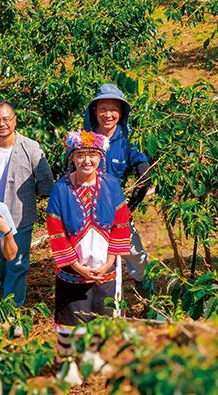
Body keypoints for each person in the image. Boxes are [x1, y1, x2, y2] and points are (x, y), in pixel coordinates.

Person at [47, 129, 131, 386]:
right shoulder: (61, 188)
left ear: (100, 157)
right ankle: (66, 362)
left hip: (105, 264)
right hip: (73, 267)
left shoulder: (111, 185)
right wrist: (77, 266)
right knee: (70, 317)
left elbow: (121, 224)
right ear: (71, 157)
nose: (87, 160)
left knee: (100, 313)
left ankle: (92, 354)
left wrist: (109, 263)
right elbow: (56, 230)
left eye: (92, 154)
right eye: (80, 155)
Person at [0, 99, 54, 308]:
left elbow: (46, 181)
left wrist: (28, 196)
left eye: (6, 119)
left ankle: (11, 310)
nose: (1, 124)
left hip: (20, 219)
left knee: (16, 266)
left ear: (15, 120)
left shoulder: (30, 147)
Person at [83, 84, 152, 295]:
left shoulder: (129, 137)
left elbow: (144, 174)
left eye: (113, 109)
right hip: (86, 208)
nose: (108, 114)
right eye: (102, 109)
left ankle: (149, 301)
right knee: (91, 259)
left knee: (137, 257)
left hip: (117, 209)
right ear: (94, 111)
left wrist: (129, 207)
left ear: (121, 112)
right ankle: (97, 303)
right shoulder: (84, 138)